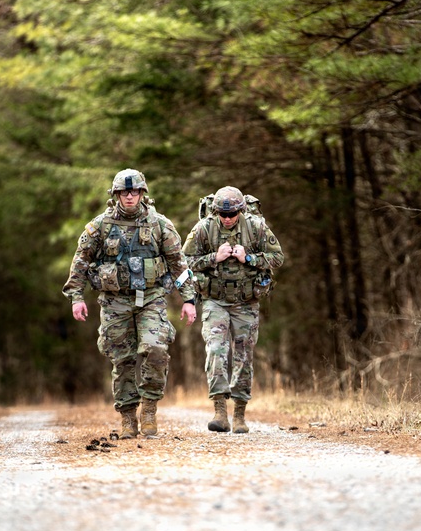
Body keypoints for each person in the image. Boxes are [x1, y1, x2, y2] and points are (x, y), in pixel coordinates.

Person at [62, 169, 196, 438]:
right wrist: (76, 297)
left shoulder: (160, 225)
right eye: (125, 192)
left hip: (151, 298)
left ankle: (148, 408)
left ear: (142, 193)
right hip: (115, 302)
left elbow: (178, 265)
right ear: (116, 195)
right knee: (122, 360)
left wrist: (189, 299)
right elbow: (80, 263)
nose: (130, 197)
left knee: (156, 349)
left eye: (135, 191)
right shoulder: (99, 226)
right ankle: (127, 417)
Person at [182, 186, 284, 433]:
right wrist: (212, 259)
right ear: (215, 211)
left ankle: (239, 414)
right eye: (222, 214)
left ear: (241, 210)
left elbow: (277, 258)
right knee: (216, 350)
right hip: (215, 300)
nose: (227, 219)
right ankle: (219, 411)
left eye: (232, 214)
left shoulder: (256, 227)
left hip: (246, 301)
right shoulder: (204, 229)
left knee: (243, 355)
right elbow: (183, 263)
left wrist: (249, 258)